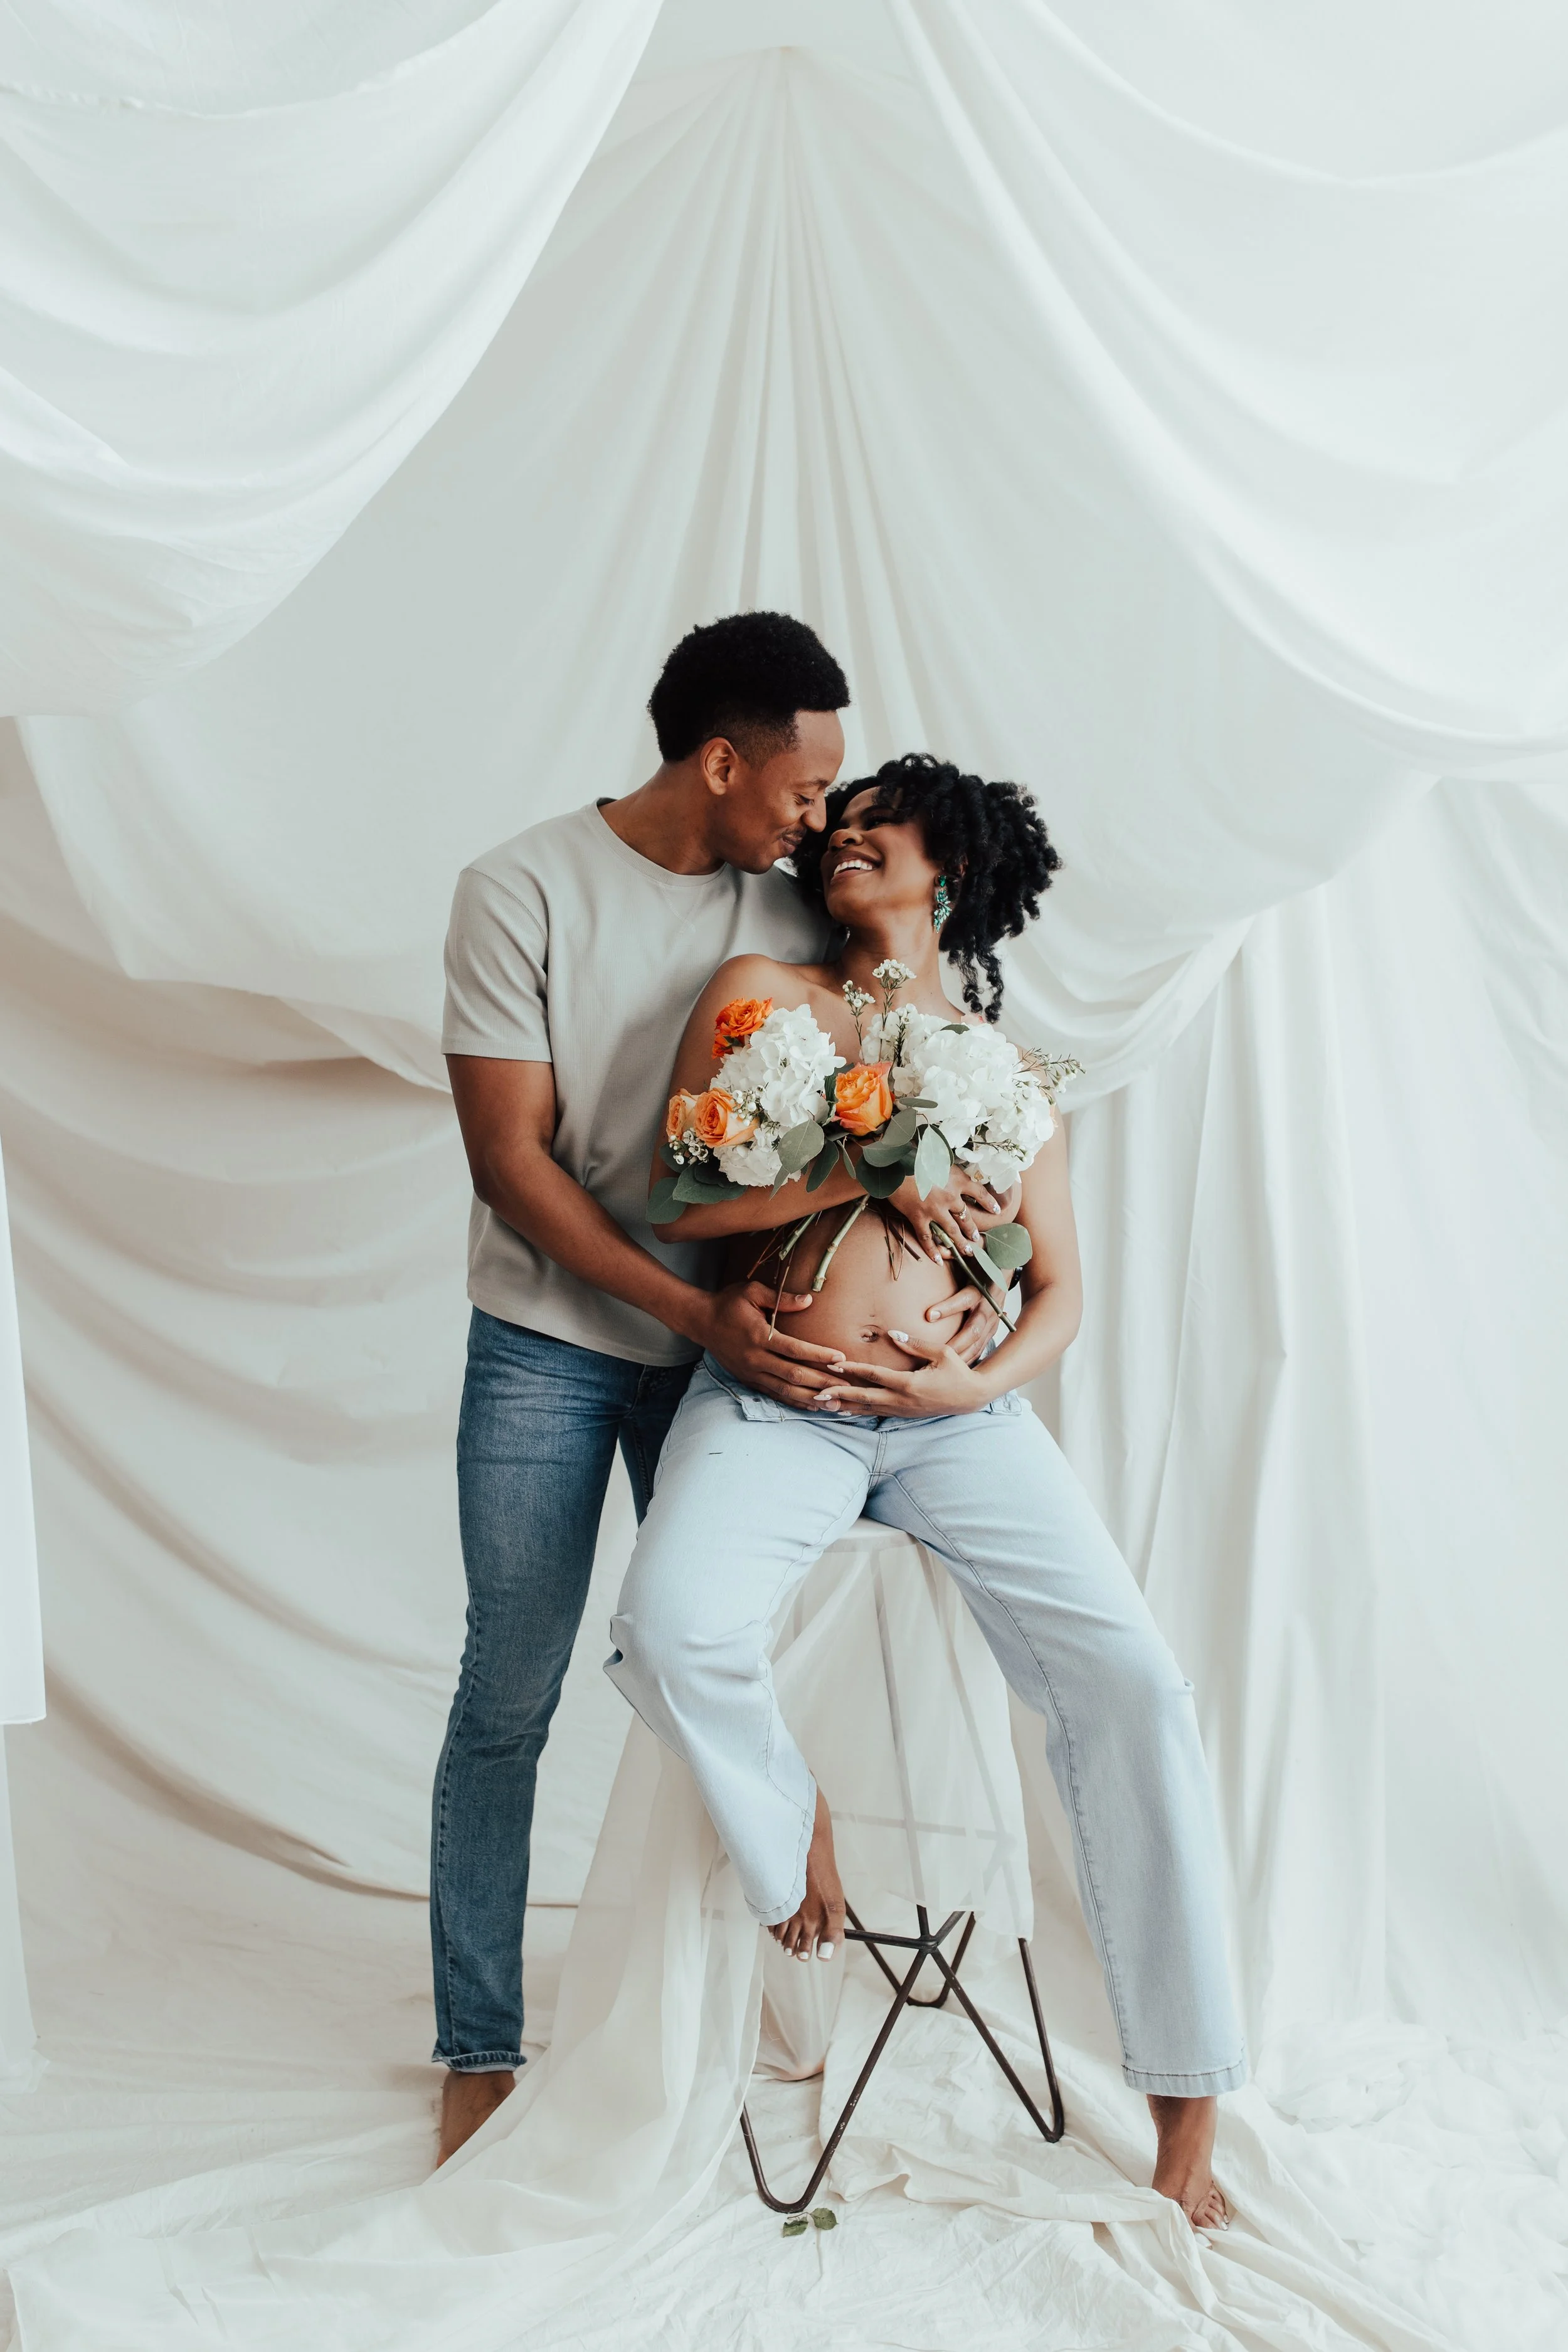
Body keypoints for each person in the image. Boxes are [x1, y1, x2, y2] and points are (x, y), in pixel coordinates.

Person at [605, 753, 1246, 2230]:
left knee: (1135, 1686)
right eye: (833, 823)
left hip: (956, 1426)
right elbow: (679, 1199)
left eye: (874, 826)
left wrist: (977, 1378)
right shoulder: (761, 993)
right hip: (785, 1406)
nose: (839, 838)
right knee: (671, 1618)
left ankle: (1187, 2114)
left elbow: (1059, 1294)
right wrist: (856, 1169)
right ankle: (790, 1834)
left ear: (944, 868)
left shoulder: (1006, 1069)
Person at [433, 621, 1002, 2164]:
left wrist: (966, 1259)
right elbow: (512, 1167)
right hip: (556, 1346)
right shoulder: (521, 889)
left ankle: (719, 2005)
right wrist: (697, 1309)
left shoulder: (792, 901)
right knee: (510, 1694)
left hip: (734, 1355)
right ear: (721, 762)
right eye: (804, 784)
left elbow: (896, 1072)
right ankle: (476, 2042)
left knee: (713, 1642)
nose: (823, 817)